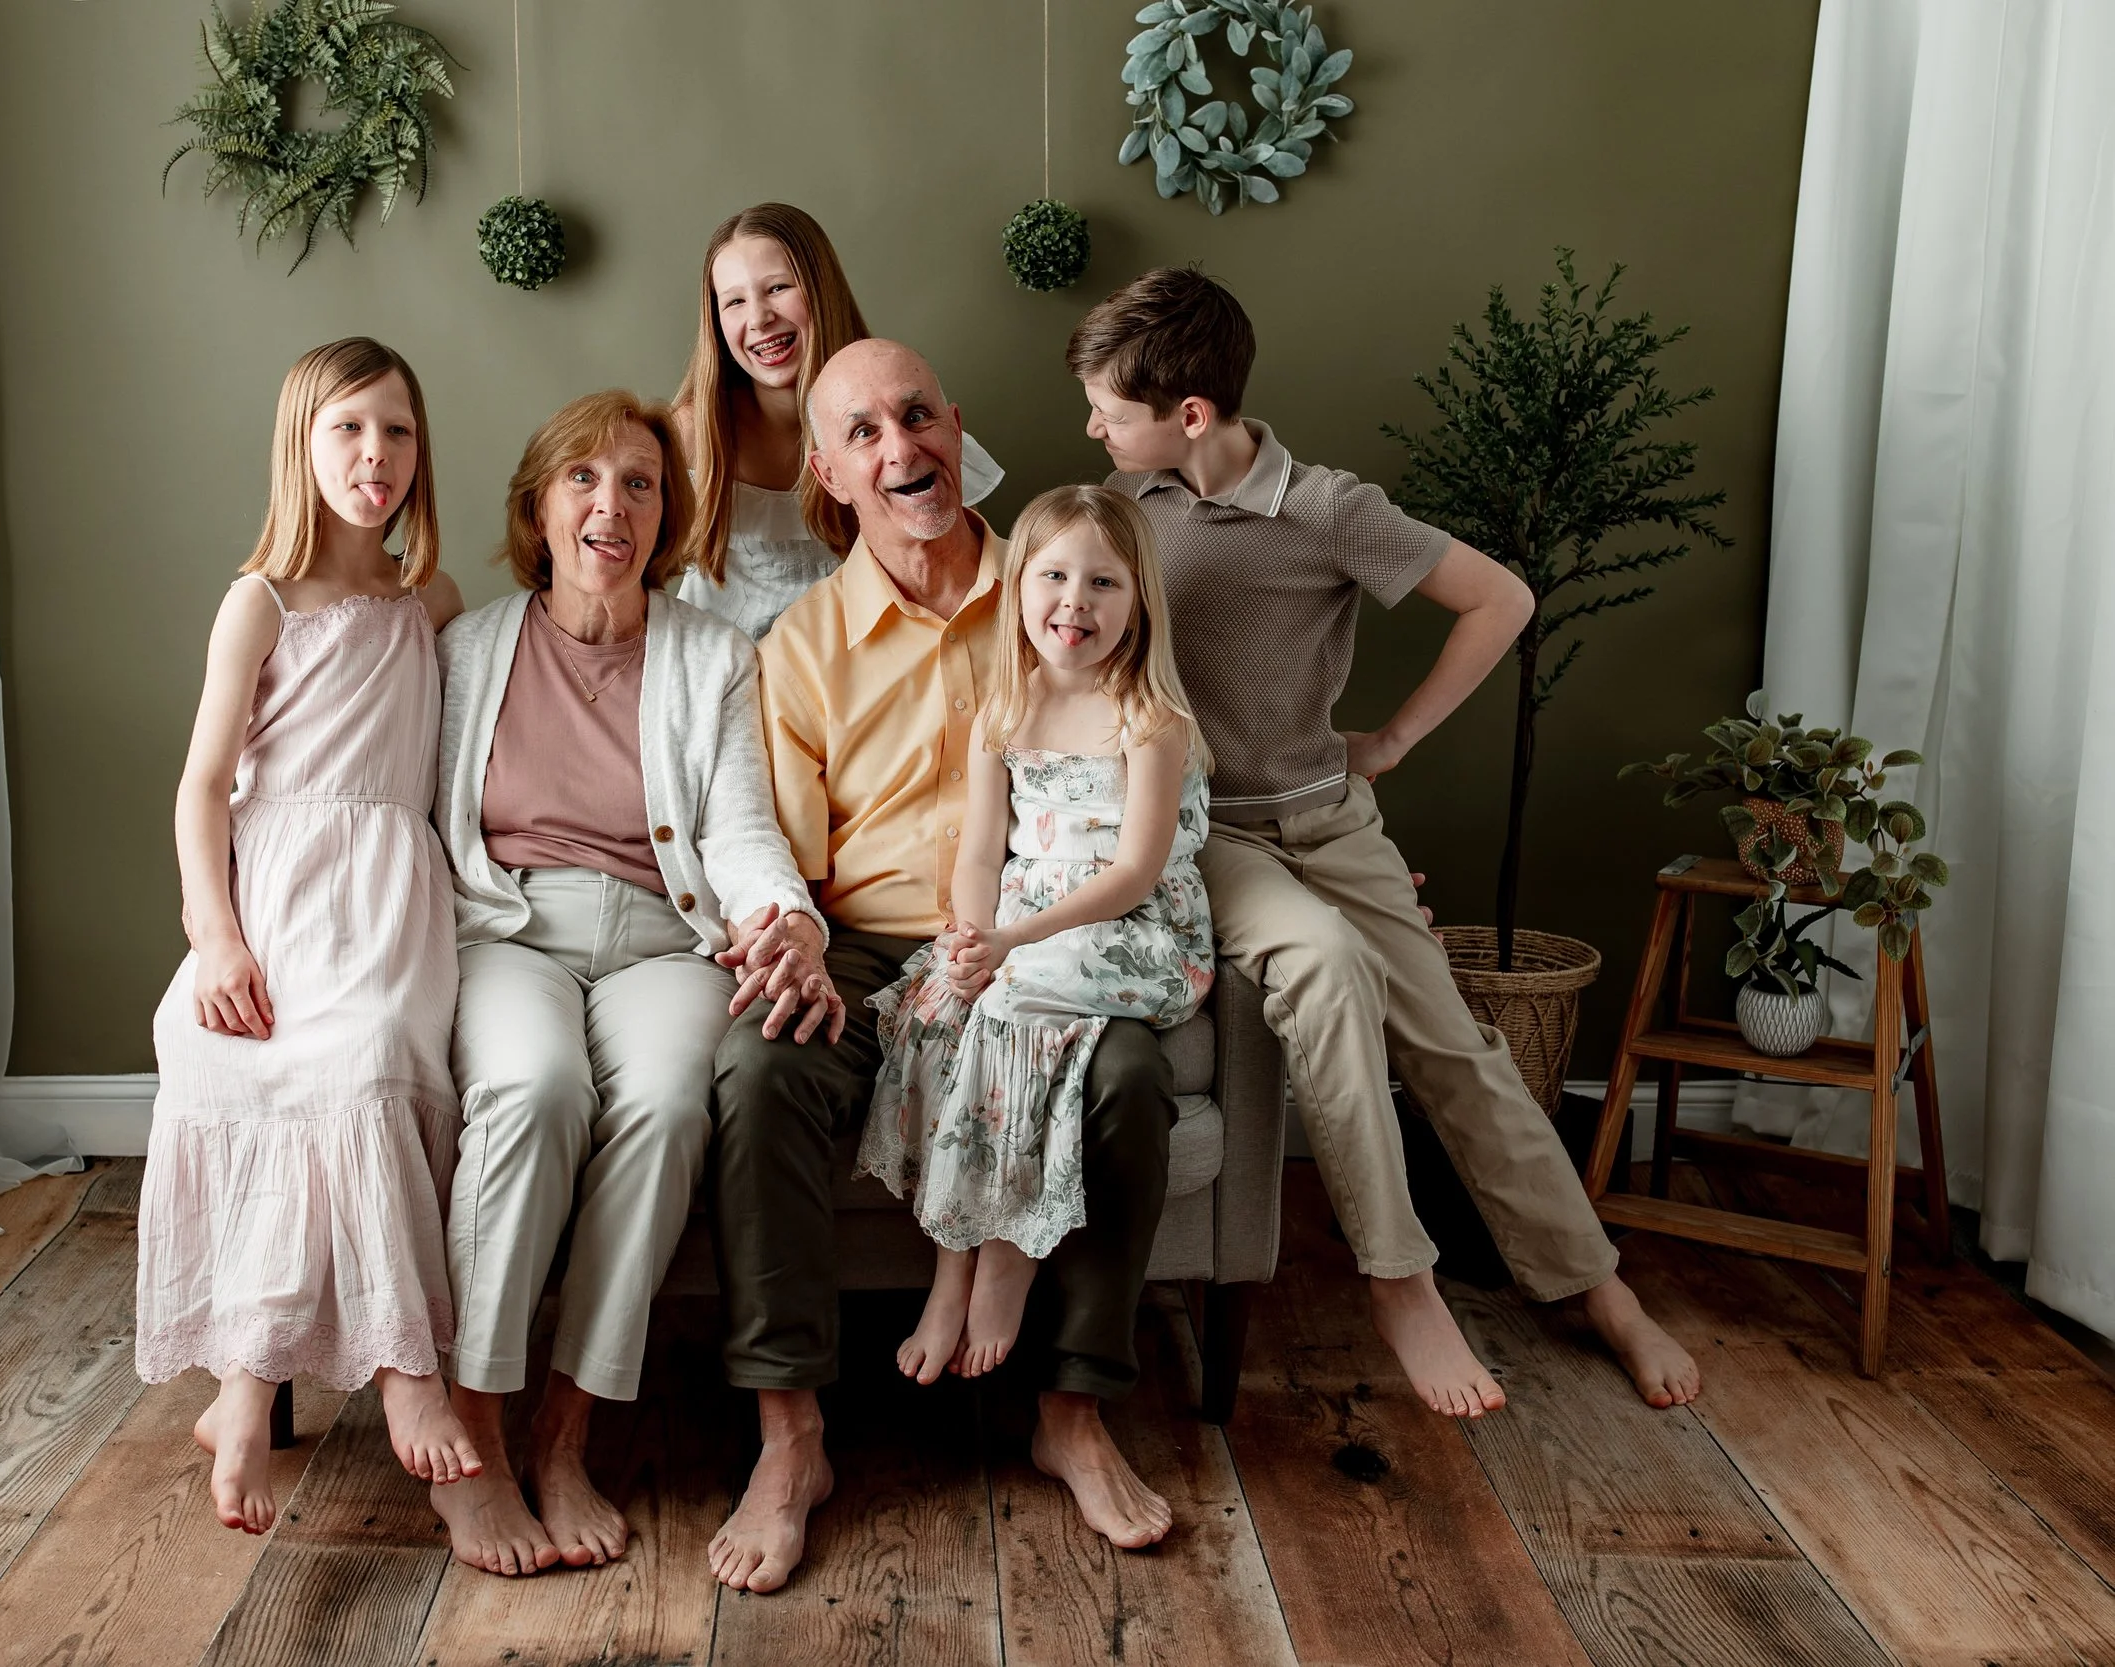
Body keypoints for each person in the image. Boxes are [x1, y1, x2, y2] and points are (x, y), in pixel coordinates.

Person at [1065, 267, 1703, 1416]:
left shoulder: (1328, 508)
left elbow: (1500, 600)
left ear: (1191, 412)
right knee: (1326, 967)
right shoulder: (1121, 511)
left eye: (1111, 406)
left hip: (1332, 817)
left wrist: (1395, 737)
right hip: (1214, 832)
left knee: (1459, 1051)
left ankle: (1596, 1286)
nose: (1094, 426)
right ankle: (1399, 1281)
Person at [707, 339, 1180, 1598]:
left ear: (956, 426)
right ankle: (790, 1435)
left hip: (1048, 937)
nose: (899, 448)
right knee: (758, 1068)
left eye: (916, 416)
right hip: (871, 941)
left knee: (1129, 1075)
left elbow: (1148, 767)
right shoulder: (800, 645)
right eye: (863, 432)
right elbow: (786, 860)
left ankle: (1074, 1408)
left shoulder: (1058, 586)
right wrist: (796, 939)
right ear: (829, 471)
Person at [432, 389, 843, 1578]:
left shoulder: (713, 654)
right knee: (535, 1088)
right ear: (539, 504)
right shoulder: (467, 649)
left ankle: (566, 1433)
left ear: (667, 518)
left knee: (669, 1106)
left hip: (664, 937)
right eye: (584, 479)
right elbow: (408, 818)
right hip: (510, 927)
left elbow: (740, 828)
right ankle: (472, 1431)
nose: (611, 504)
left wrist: (786, 920)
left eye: (640, 485)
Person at [137, 337, 478, 1536]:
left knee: (366, 1060)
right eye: (347, 430)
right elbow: (200, 784)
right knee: (260, 1056)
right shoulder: (263, 599)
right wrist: (215, 935)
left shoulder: (428, 600)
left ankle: (316, 1382)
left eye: (395, 431)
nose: (374, 456)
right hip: (277, 892)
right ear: (302, 444)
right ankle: (302, 1384)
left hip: (386, 894)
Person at [860, 485, 1217, 1385]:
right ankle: (952, 1261)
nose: (1075, 602)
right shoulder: (1002, 715)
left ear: (1138, 602)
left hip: (1140, 935)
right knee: (941, 1003)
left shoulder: (1151, 720)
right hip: (1025, 929)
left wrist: (1013, 945)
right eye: (1054, 575)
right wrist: (974, 937)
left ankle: (1011, 1252)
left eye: (1104, 582)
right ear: (1019, 587)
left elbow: (1134, 873)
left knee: (1010, 994)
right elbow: (979, 856)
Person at [672, 202, 1005, 640]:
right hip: (726, 673)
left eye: (776, 288)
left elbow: (958, 567)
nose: (758, 318)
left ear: (821, 289)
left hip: (862, 671)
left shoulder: (901, 431)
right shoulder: (693, 435)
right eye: (734, 301)